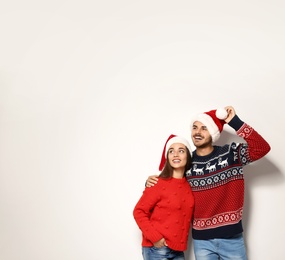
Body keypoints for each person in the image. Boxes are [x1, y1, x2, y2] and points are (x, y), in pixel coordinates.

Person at [146, 106, 271, 260]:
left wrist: (235, 122)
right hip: (201, 241)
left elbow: (262, 148)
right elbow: (169, 186)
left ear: (212, 132)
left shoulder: (231, 154)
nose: (198, 132)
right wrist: (152, 181)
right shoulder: (187, 164)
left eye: (204, 128)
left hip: (231, 237)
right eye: (195, 127)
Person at [133, 134, 195, 260]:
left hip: (178, 250)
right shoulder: (158, 183)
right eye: (171, 151)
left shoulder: (190, 185)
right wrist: (155, 237)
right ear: (167, 157)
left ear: (188, 156)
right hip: (157, 249)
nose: (175, 154)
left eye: (181, 151)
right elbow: (139, 211)